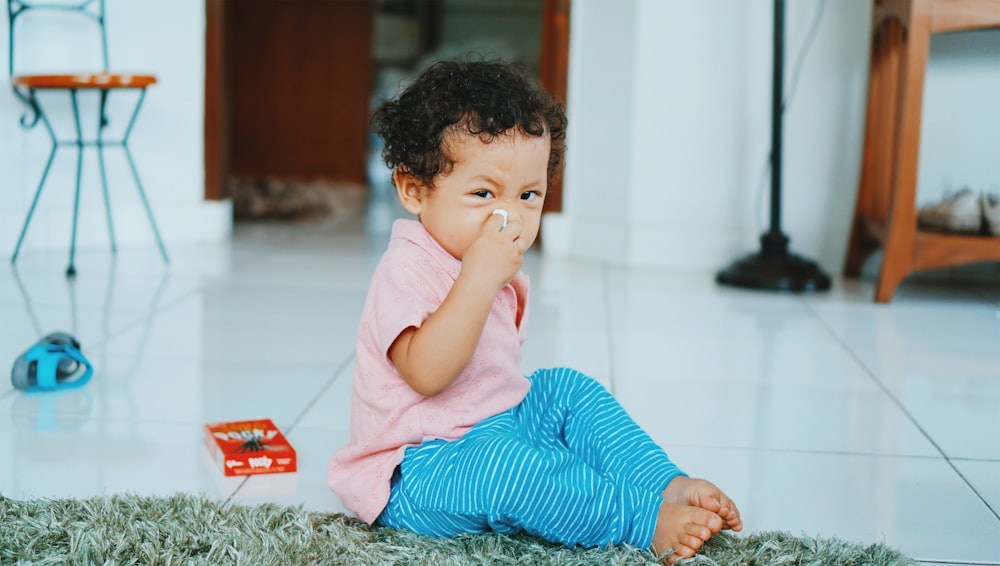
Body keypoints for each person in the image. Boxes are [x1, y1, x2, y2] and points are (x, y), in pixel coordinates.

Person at [328, 58, 742, 563]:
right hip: (417, 470)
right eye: (483, 194)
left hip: (493, 429)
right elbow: (429, 374)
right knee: (509, 468)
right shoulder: (407, 267)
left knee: (565, 388)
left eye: (529, 195)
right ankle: (641, 519)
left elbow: (493, 383)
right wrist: (479, 278)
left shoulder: (487, 259)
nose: (510, 215)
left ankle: (663, 483)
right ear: (414, 189)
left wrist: (486, 273)